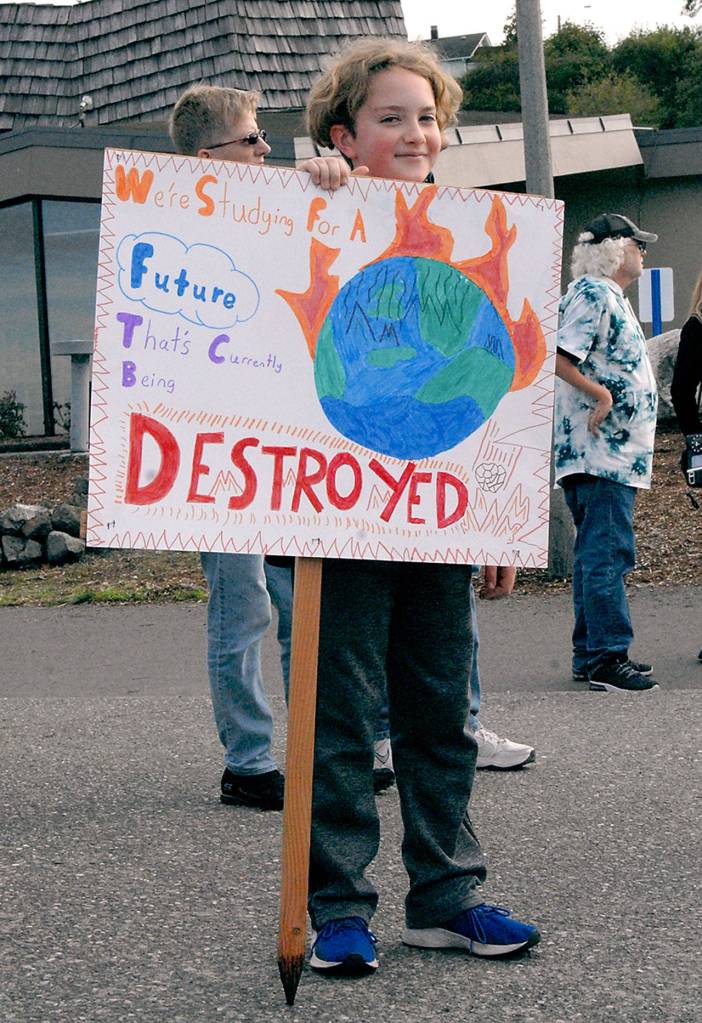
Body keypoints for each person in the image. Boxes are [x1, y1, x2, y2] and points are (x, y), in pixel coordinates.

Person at [304, 38, 541, 976]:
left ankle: (447, 897)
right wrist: (316, 186)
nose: (413, 132)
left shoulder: (478, 230)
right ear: (344, 134)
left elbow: (492, 377)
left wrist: (499, 514)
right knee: (339, 719)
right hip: (334, 513)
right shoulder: (314, 204)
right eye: (388, 117)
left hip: (438, 513)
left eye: (426, 116)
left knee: (442, 713)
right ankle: (336, 908)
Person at [168, 84, 351, 810]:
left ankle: (310, 747)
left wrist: (330, 177)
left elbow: (363, 216)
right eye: (254, 140)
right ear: (210, 157)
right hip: (216, 452)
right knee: (243, 604)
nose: (268, 150)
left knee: (299, 597)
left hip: (283, 441)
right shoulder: (171, 221)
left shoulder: (278, 209)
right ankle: (248, 759)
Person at [554, 212, 660, 694]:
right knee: (607, 552)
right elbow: (560, 355)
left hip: (611, 454)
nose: (644, 251)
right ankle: (606, 657)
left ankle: (590, 653)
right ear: (615, 247)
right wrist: (602, 394)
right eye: (638, 243)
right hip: (601, 453)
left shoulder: (605, 296)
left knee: (597, 552)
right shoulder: (594, 293)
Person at [670, 270, 702, 662]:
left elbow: (682, 390)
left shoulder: (696, 326)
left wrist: (695, 439)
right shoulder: (697, 327)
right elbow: (681, 390)